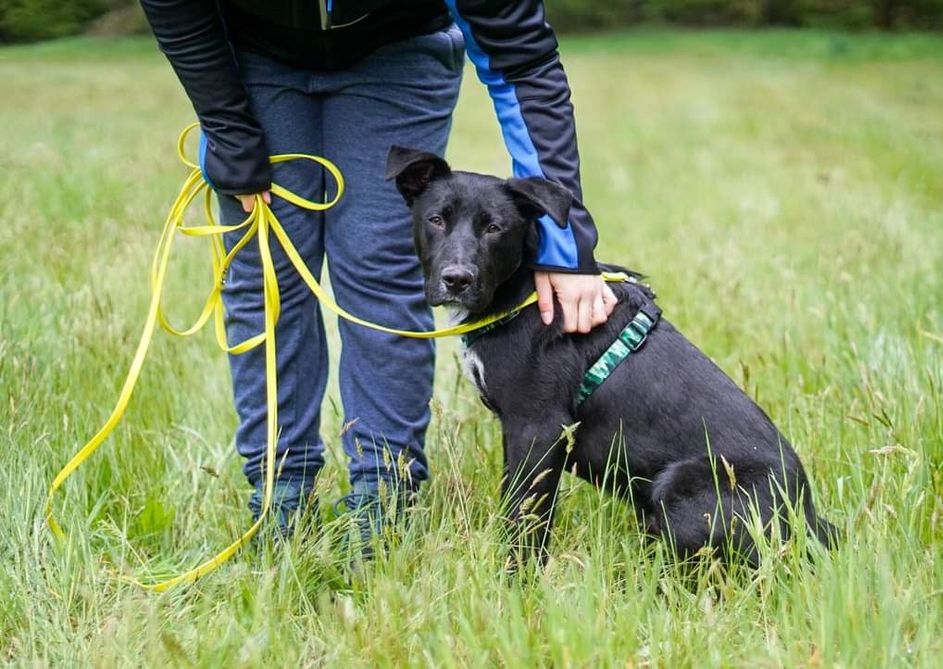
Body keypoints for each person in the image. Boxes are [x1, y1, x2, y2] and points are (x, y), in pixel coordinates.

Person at [138, 0, 617, 550]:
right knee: (265, 272)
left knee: (383, 271)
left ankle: (382, 504)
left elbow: (524, 62)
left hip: (397, 53)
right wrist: (226, 127)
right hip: (252, 54)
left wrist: (564, 248)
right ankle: (280, 499)